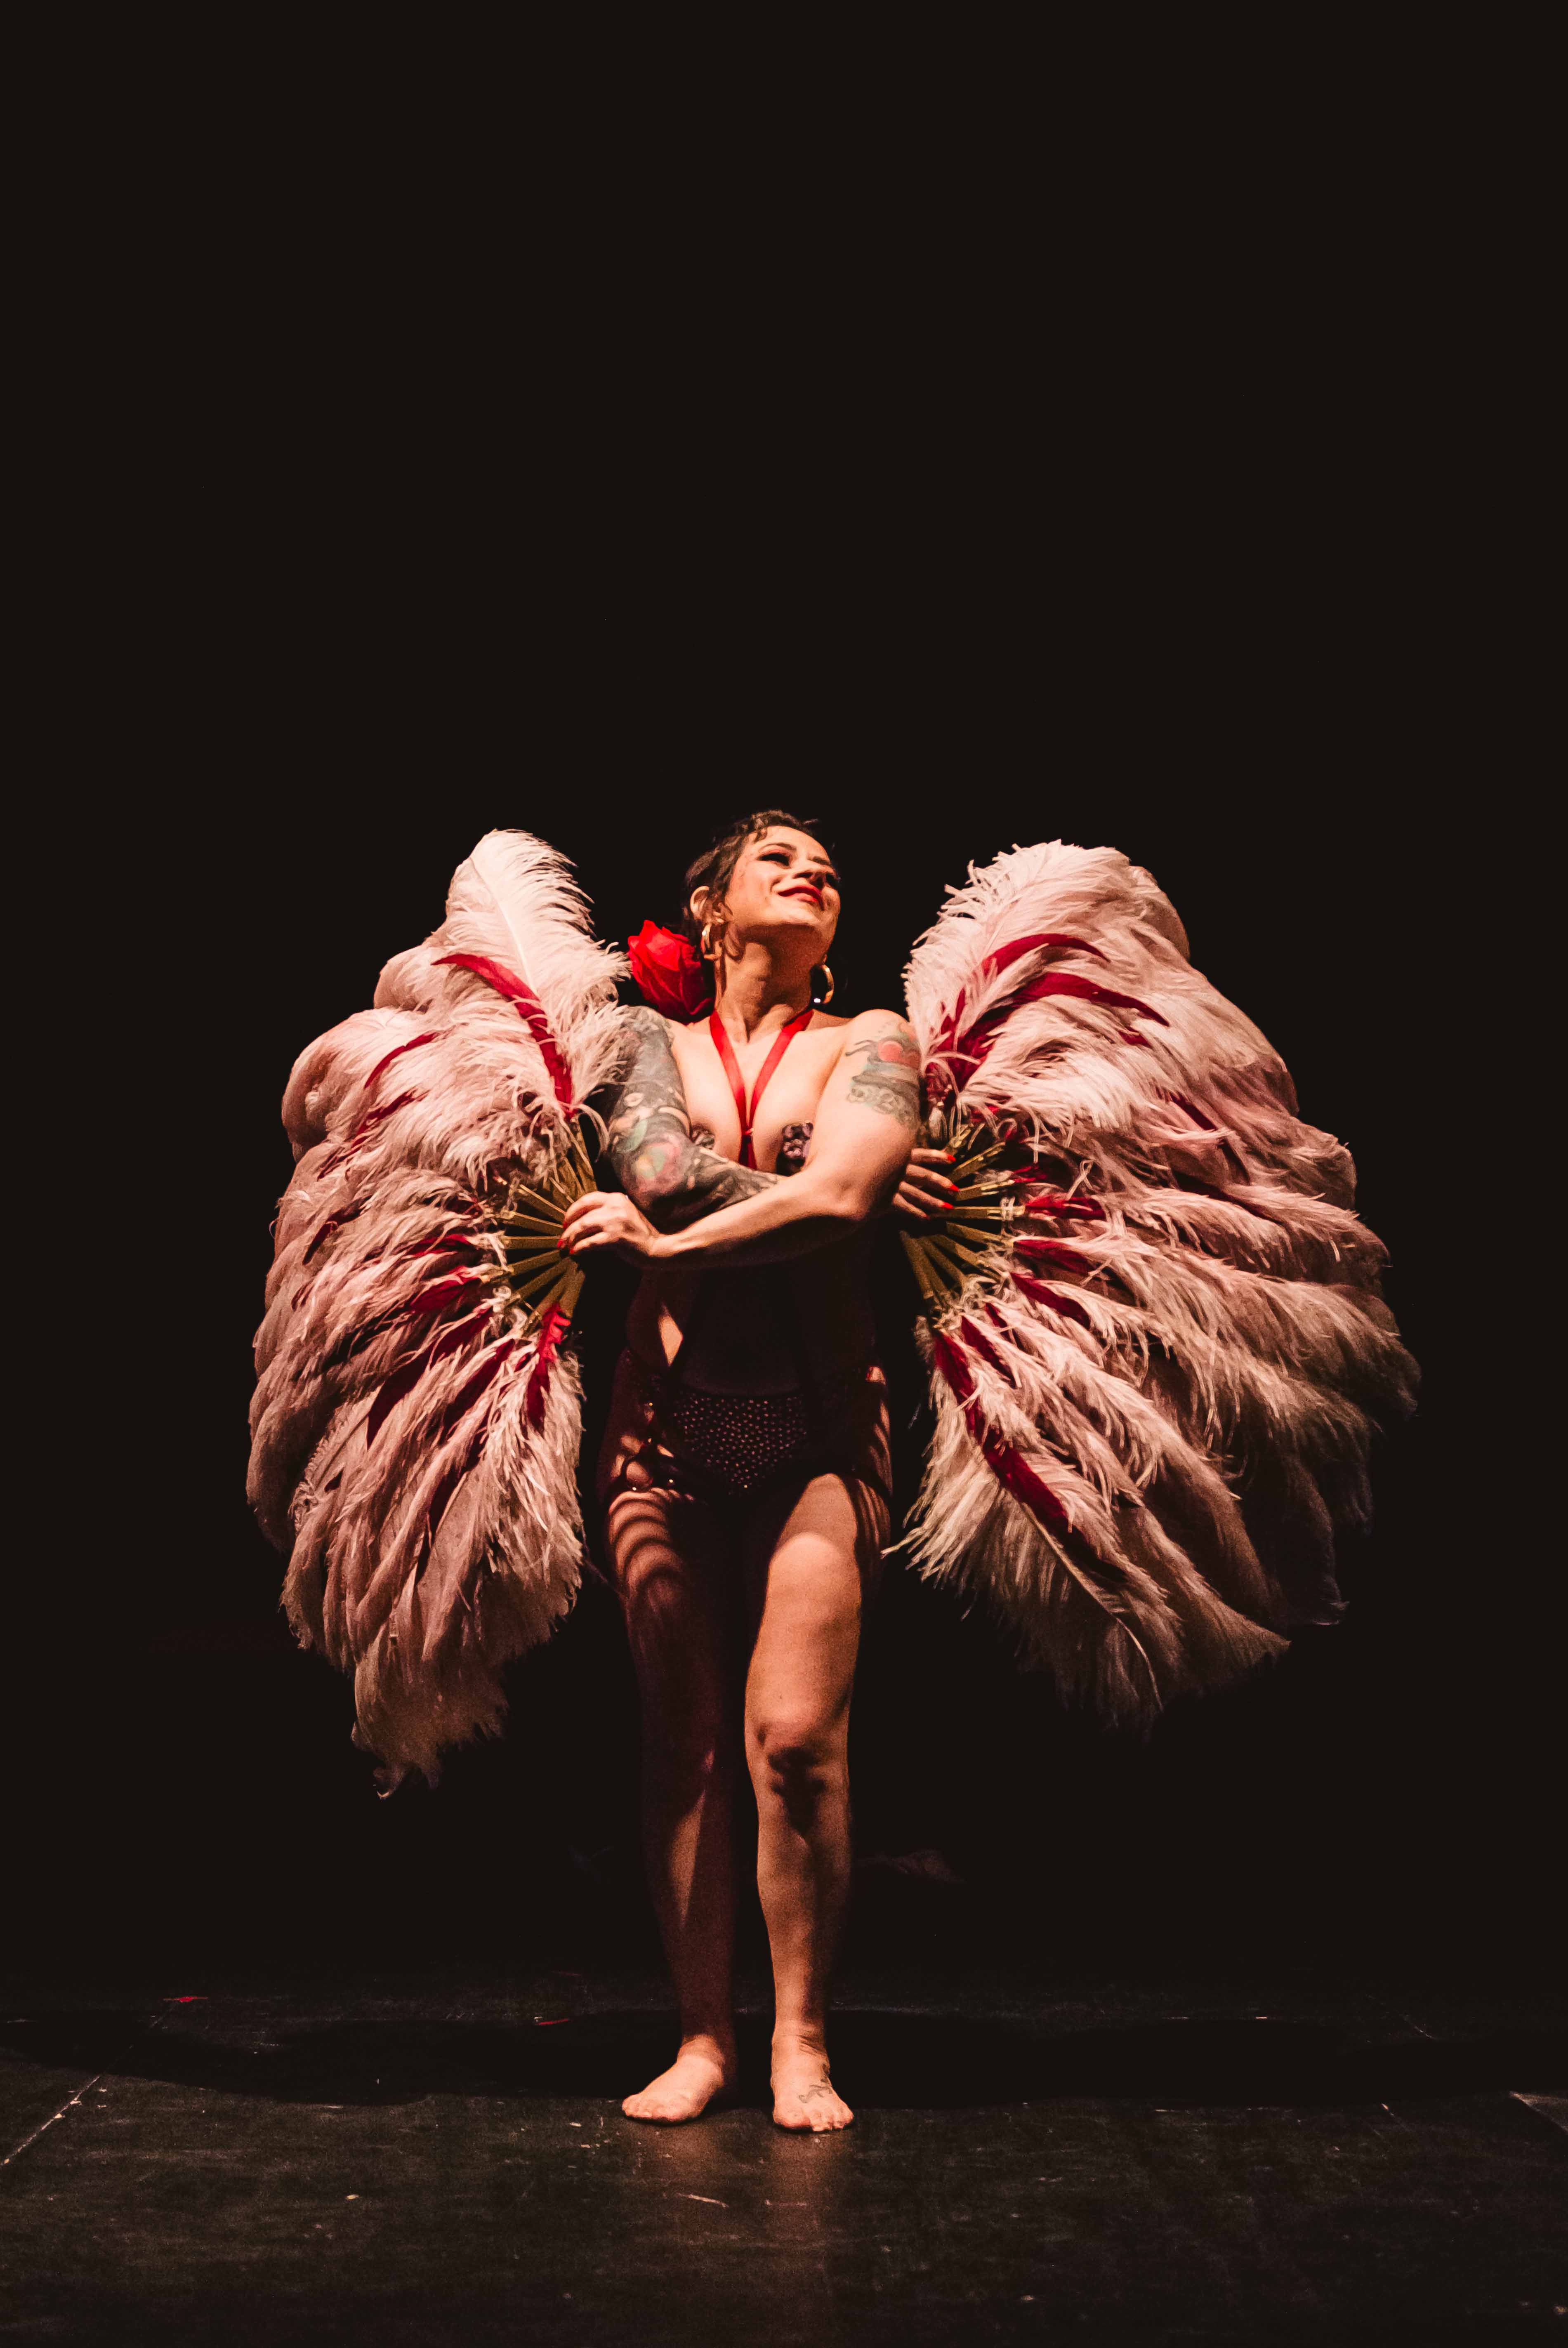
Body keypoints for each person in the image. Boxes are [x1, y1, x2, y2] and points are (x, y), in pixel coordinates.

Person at [561, 811, 953, 2131]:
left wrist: (687, 1241)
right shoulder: (639, 1045)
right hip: (659, 1434)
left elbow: (824, 1199)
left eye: (827, 864)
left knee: (791, 1740)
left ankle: (799, 2038)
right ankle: (700, 2037)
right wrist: (835, 1191)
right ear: (710, 906)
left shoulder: (872, 1040)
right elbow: (662, 1172)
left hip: (821, 1433)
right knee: (681, 1743)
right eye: (777, 858)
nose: (812, 871)